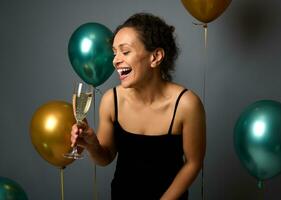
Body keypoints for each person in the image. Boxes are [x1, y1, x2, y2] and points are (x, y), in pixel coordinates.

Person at [71, 12, 206, 200]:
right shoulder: (111, 100)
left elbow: (193, 162)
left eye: (125, 51)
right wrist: (92, 145)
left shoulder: (186, 104)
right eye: (114, 52)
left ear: (155, 57)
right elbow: (105, 158)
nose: (115, 60)